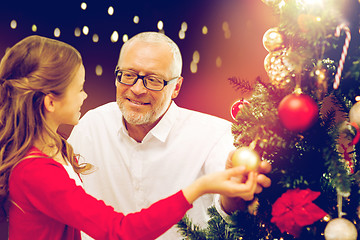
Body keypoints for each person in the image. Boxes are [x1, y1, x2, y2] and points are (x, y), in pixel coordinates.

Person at [0, 35, 266, 240]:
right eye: (127, 76)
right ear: (50, 102)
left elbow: (231, 210)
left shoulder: (215, 134)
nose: (137, 89)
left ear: (176, 87)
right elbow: (120, 230)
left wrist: (232, 185)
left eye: (153, 80)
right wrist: (198, 187)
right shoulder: (82, 131)